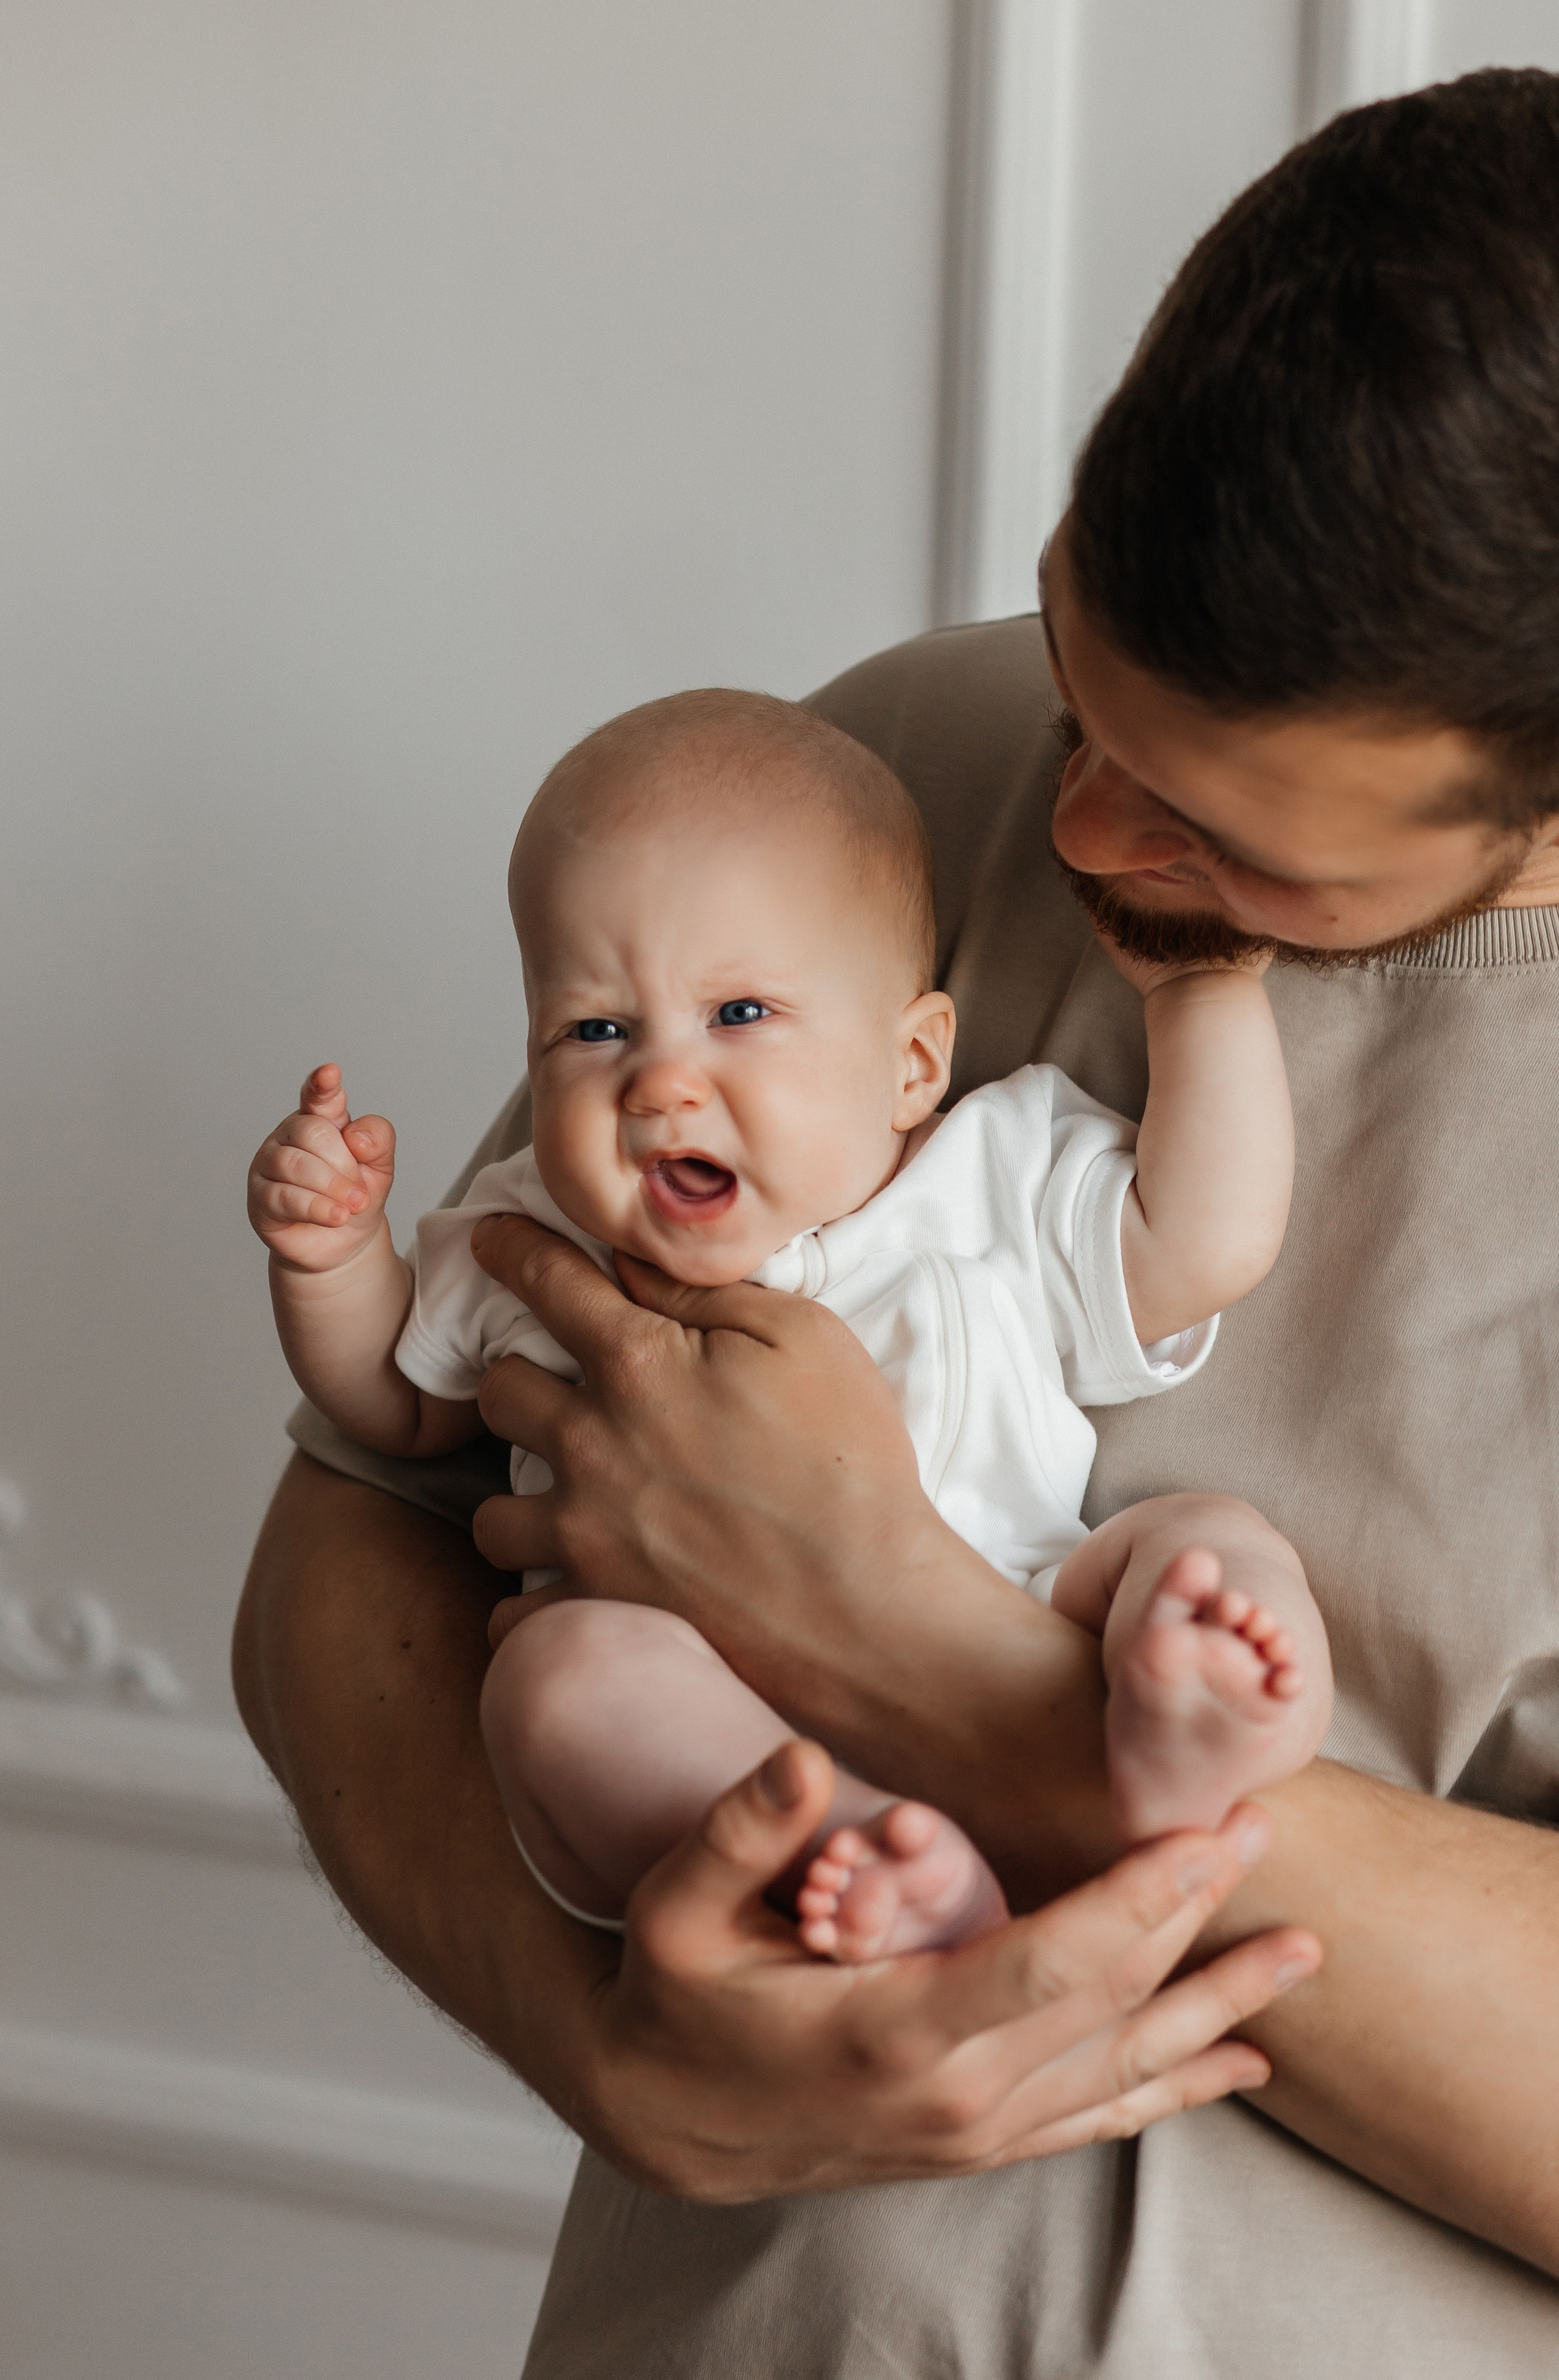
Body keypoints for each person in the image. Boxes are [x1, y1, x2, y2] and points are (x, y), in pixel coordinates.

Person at [235, 68, 1559, 2377]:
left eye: (1235, 835)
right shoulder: (835, 798)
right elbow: (355, 1527)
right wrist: (603, 2028)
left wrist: (923, 1653)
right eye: (1075, 666)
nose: (1084, 826)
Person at [245, 688, 1324, 1960]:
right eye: (592, 1030)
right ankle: (856, 1848)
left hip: (1033, 1615)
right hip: (692, 1715)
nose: (656, 1082)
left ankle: (1195, 1708)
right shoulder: (532, 1231)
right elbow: (397, 1404)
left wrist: (1196, 993)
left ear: (912, 1065)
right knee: (555, 1682)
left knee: (1204, 1541)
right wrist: (330, 1258)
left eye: (739, 1015)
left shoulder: (984, 1173)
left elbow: (1200, 1244)